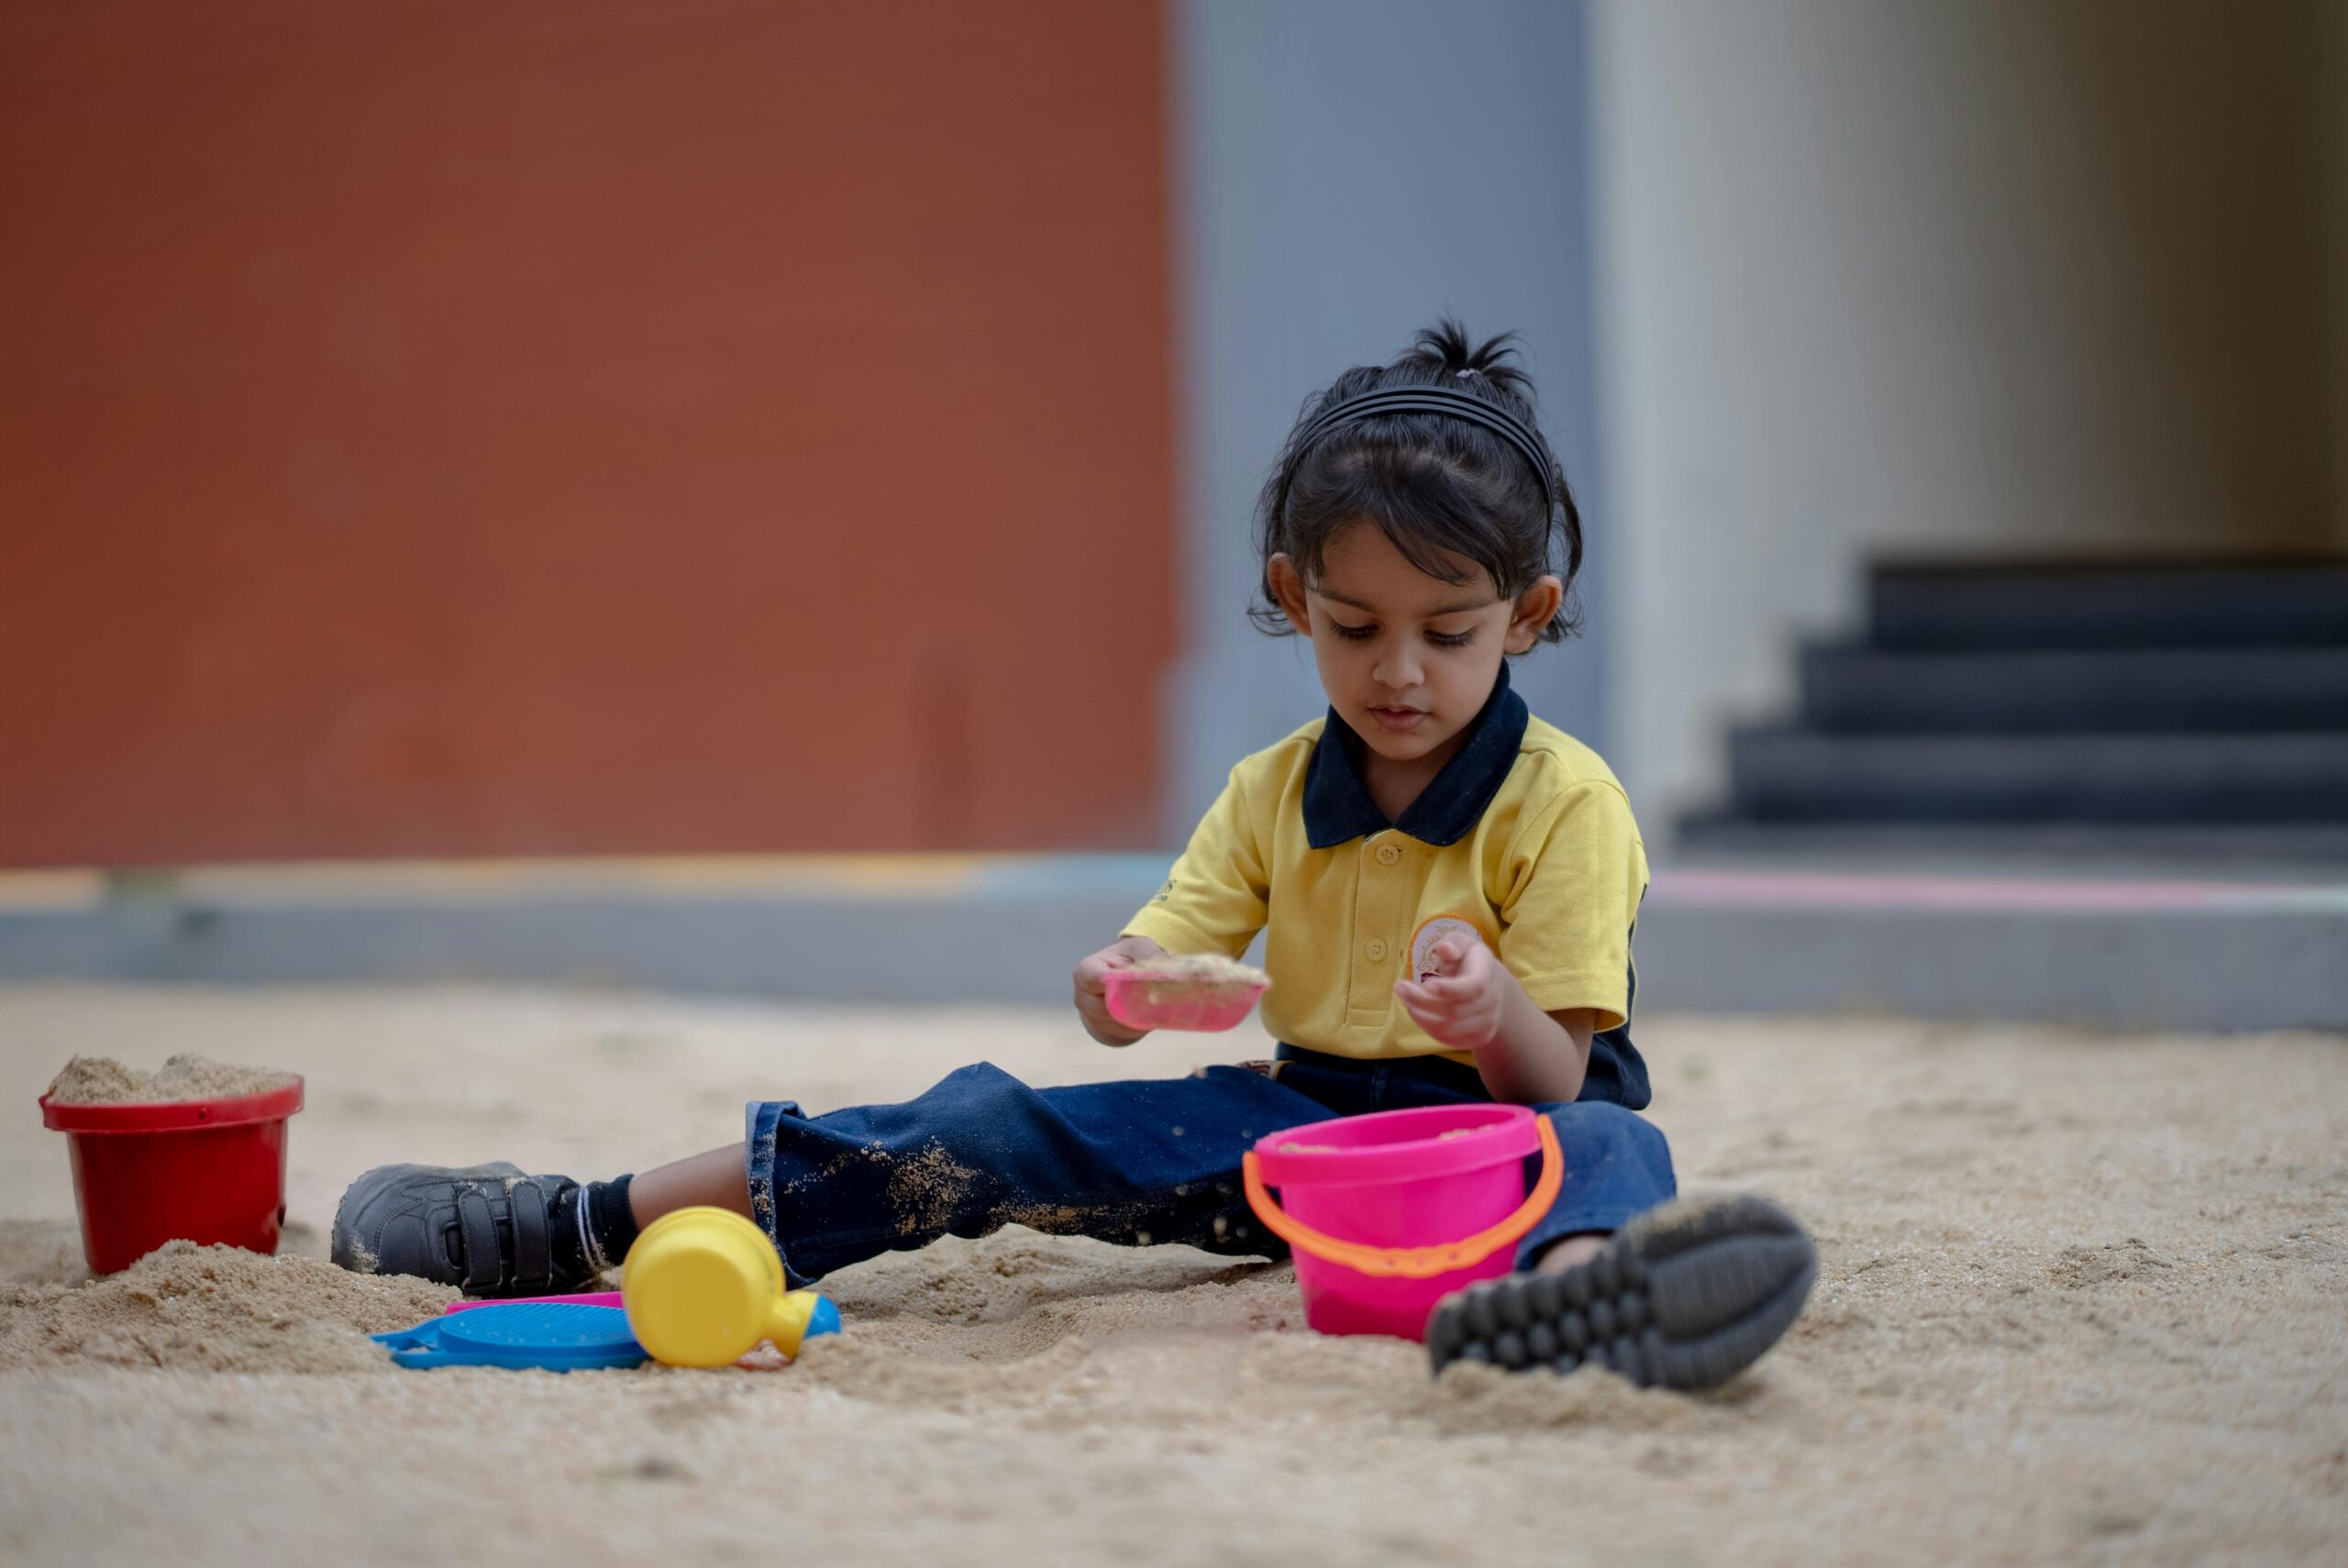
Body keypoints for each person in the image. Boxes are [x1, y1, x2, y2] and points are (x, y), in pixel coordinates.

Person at [334, 322, 1816, 1386]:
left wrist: (1493, 1013)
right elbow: (1146, 972)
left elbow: (1557, 1075)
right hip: (1296, 1148)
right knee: (986, 1124)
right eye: (1355, 628)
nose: (1402, 673)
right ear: (1294, 598)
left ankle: (1579, 1305)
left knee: (1621, 1147)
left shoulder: (1567, 802)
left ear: (1532, 613)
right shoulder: (1276, 785)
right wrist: (1123, 988)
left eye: (1452, 632)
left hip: (1493, 1148)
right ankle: (580, 1217)